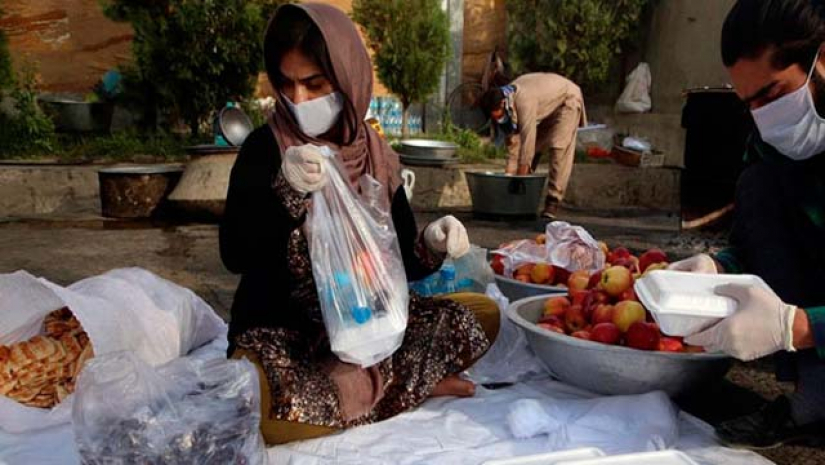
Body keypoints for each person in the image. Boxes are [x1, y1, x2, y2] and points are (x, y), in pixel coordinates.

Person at [219, 4, 500, 445]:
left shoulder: (375, 155)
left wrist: (432, 241)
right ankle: (406, 386)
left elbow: (402, 262)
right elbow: (234, 253)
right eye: (288, 85)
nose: (300, 99)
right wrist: (285, 193)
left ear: (348, 77)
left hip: (368, 327)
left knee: (477, 315)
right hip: (291, 337)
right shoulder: (267, 149)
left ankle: (378, 386)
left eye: (315, 84)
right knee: (265, 396)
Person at [669, 0, 825, 449]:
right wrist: (718, 269)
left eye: (773, 95)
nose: (764, 116)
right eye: (750, 103)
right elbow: (758, 247)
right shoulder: (774, 147)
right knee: (758, 185)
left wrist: (798, 326)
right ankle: (815, 399)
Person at [478, 73, 587, 220]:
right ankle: (526, 186)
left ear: (502, 104)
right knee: (530, 151)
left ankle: (552, 201)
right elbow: (513, 143)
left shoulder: (523, 101)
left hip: (567, 99)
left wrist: (520, 180)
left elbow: (527, 140)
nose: (497, 119)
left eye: (497, 116)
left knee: (558, 148)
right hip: (548, 106)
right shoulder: (506, 100)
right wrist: (508, 180)